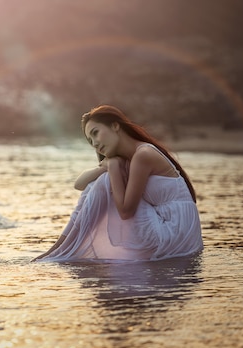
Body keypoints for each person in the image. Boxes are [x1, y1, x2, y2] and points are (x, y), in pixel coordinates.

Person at [33, 105, 202, 262]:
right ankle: (59, 249)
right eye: (90, 141)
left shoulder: (143, 155)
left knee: (104, 182)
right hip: (174, 231)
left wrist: (112, 168)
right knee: (95, 184)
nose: (95, 144)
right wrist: (105, 167)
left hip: (174, 234)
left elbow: (126, 211)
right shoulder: (130, 159)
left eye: (95, 133)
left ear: (115, 126)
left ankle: (60, 251)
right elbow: (80, 184)